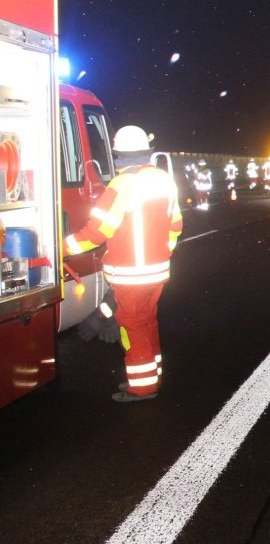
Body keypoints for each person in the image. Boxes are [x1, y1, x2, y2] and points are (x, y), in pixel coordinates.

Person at [63, 125, 183, 402]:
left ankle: (142, 387)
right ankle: (152, 377)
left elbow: (96, 233)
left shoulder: (120, 186)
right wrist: (161, 254)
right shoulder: (164, 180)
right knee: (147, 322)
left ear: (118, 156)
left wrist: (61, 248)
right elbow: (175, 225)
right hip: (157, 271)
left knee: (133, 326)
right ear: (147, 152)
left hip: (130, 274)